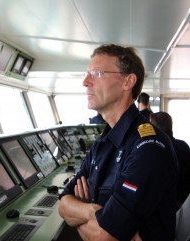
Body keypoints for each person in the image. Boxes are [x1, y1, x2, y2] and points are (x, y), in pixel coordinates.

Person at [58, 44, 178, 241]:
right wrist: (92, 212)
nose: (85, 82)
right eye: (87, 73)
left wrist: (80, 212)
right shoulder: (101, 144)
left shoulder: (149, 147)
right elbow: (64, 203)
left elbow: (105, 237)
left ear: (127, 81)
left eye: (96, 73)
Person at [150, 111, 190, 208]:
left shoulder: (154, 151)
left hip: (167, 206)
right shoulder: (183, 146)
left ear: (155, 130)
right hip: (185, 203)